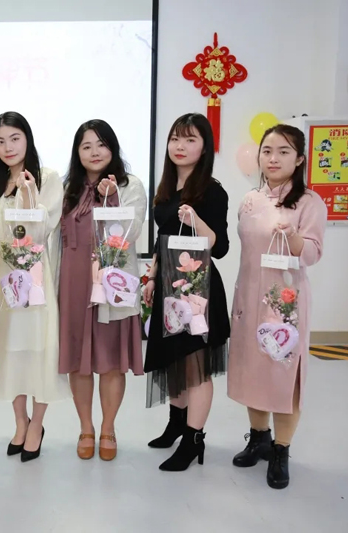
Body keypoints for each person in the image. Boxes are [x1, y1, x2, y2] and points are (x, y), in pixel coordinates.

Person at [228, 124, 327, 489]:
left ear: (299, 159)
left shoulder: (309, 202)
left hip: (285, 302)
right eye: (267, 150)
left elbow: (312, 253)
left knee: (285, 374)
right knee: (253, 369)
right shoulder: (250, 199)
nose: (273, 158)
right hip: (248, 295)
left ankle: (282, 449)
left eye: (284, 151)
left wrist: (295, 237)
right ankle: (259, 438)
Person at [142, 113, 230, 471]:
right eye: (175, 138)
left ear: (204, 148)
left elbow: (220, 247)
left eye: (190, 139)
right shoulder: (165, 188)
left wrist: (196, 220)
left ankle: (194, 440)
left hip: (198, 290)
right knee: (174, 360)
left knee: (196, 367)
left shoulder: (212, 190)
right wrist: (151, 277)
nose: (180, 146)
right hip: (168, 284)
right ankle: (176, 424)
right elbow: (162, 240)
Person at [59, 120, 146, 461]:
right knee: (78, 362)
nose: (94, 152)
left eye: (101, 144)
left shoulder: (129, 185)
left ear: (113, 148)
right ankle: (86, 427)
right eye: (86, 146)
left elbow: (131, 232)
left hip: (112, 283)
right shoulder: (68, 188)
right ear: (77, 152)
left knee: (111, 362)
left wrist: (112, 198)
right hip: (74, 283)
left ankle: (108, 427)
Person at [0, 112, 70, 462]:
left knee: (39, 348)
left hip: (35, 276)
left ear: (28, 139)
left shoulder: (47, 178)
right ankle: (20, 422)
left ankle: (37, 424)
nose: (7, 147)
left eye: (14, 138)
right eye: (0, 141)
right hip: (6, 275)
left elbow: (40, 230)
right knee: (10, 349)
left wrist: (29, 195)